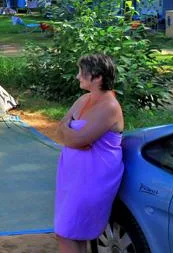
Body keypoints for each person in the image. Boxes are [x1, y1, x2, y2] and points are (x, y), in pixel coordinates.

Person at [54, 54, 124, 253]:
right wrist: (72, 136)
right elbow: (60, 129)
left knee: (65, 233)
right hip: (72, 176)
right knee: (74, 233)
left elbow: (76, 139)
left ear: (97, 77)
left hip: (92, 177)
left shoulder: (109, 106)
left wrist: (72, 135)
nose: (77, 77)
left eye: (81, 73)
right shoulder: (84, 99)